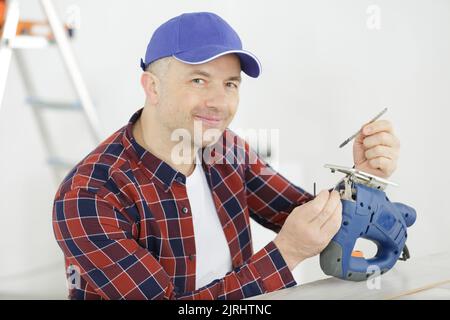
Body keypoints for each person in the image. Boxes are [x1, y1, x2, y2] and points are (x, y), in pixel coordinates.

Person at [52, 12, 400, 300]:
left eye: (230, 83)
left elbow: (308, 217)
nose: (219, 103)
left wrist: (363, 178)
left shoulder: (225, 150)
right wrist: (286, 253)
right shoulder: (88, 197)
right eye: (199, 81)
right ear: (152, 87)